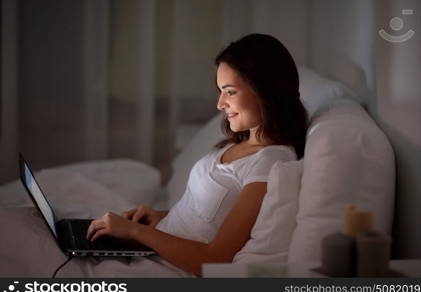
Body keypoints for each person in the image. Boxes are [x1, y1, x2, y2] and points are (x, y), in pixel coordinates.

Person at [86, 33, 308, 277]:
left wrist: (135, 232)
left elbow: (216, 260)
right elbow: (209, 216)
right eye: (220, 91)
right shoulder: (243, 143)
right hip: (155, 249)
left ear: (266, 92)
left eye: (230, 92)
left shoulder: (269, 163)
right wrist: (159, 217)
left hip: (171, 268)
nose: (220, 104)